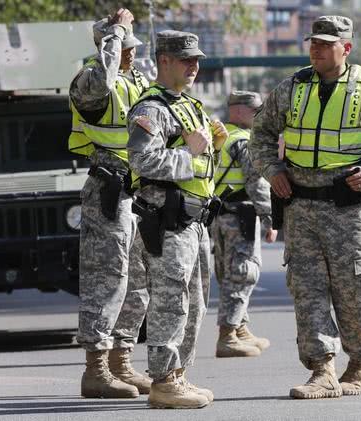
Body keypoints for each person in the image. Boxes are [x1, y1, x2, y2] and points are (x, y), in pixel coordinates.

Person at [249, 16, 361, 399]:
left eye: (326, 43)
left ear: (347, 48)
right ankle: (321, 370)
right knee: (306, 290)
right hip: (301, 207)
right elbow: (261, 134)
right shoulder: (292, 88)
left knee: (354, 289)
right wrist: (272, 170)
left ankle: (358, 364)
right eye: (313, 42)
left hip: (350, 211)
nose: (317, 49)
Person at [126, 30, 228, 409]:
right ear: (163, 61)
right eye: (186, 60)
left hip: (193, 219)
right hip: (168, 218)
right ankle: (164, 380)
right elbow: (141, 160)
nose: (195, 66)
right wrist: (190, 151)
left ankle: (178, 374)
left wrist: (209, 150)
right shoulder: (151, 109)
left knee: (195, 301)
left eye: (197, 59)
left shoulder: (188, 104)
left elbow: (199, 162)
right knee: (171, 301)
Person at [68, 8, 151, 399]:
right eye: (123, 47)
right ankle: (95, 369)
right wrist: (115, 33)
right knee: (107, 279)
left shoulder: (135, 81)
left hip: (137, 192)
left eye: (132, 47)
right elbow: (104, 77)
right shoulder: (91, 78)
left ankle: (121, 361)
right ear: (106, 47)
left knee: (137, 281)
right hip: (109, 188)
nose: (129, 54)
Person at [213, 91, 278, 358]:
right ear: (240, 111)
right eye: (256, 111)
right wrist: (270, 218)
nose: (260, 116)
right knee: (243, 272)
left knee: (228, 272)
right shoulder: (244, 142)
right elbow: (257, 183)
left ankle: (240, 328)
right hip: (241, 215)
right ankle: (228, 335)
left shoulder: (221, 137)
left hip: (219, 214)